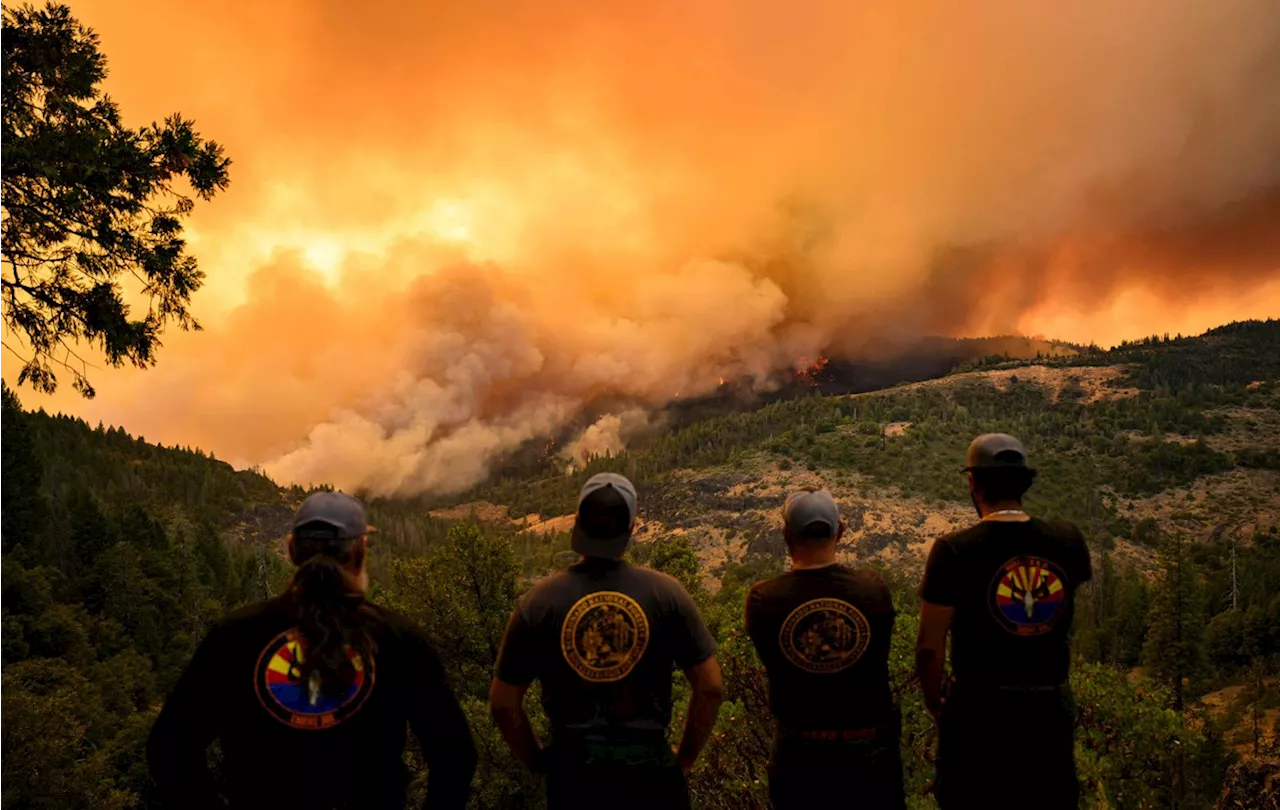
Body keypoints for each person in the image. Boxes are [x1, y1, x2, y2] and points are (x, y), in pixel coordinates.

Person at [147, 491, 477, 810]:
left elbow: (170, 749)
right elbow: (455, 756)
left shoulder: (234, 636)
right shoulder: (399, 639)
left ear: (291, 551)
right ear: (360, 551)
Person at [489, 472, 724, 810]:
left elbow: (502, 702)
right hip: (651, 776)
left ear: (577, 522)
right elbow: (712, 687)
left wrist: (538, 760)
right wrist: (684, 757)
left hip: (575, 780)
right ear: (631, 528)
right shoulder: (666, 594)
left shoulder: (539, 602)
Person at [916, 434, 1092, 810]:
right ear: (1025, 483)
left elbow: (929, 648)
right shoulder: (1067, 542)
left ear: (973, 484)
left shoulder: (954, 551)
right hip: (1048, 712)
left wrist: (938, 705)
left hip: (978, 712)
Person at [745, 488, 905, 810]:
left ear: (785, 535)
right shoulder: (873, 590)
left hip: (800, 758)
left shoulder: (764, 600)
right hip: (870, 756)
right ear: (840, 531)